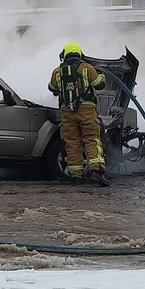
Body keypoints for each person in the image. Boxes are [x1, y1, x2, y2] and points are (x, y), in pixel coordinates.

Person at [48, 42, 110, 187]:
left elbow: (51, 88)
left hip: (67, 113)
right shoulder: (87, 68)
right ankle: (96, 172)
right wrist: (101, 75)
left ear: (63, 56)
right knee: (91, 139)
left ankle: (76, 176)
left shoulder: (57, 72)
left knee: (72, 143)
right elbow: (99, 84)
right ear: (80, 54)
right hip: (86, 110)